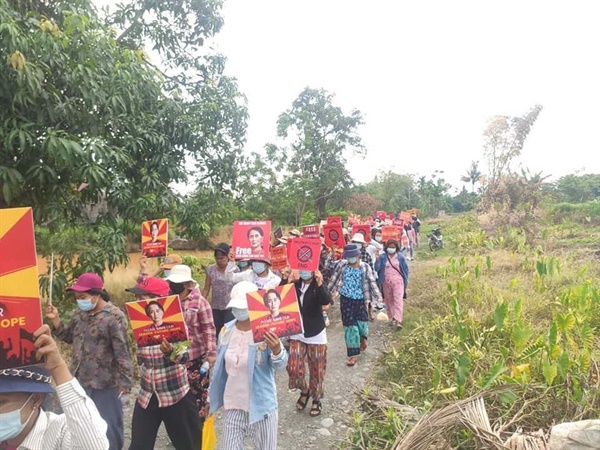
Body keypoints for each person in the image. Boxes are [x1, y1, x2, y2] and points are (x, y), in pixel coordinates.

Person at [46, 273, 133, 450]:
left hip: (105, 383)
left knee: (108, 427)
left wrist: (125, 381)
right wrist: (55, 320)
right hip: (78, 380)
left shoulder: (114, 316)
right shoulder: (79, 314)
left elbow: (122, 351)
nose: (79, 301)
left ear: (96, 294)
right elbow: (69, 337)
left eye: (82, 297)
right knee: (76, 425)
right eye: (77, 297)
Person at [0, 325, 109, 449]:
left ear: (36, 399)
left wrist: (58, 368)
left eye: (2, 402)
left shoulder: (59, 433)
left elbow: (93, 446)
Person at [124, 276, 203, 450]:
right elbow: (141, 360)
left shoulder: (176, 323)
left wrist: (170, 352)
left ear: (159, 301)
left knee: (189, 444)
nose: (137, 301)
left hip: (175, 394)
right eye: (136, 297)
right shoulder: (140, 325)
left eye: (142, 297)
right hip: (147, 395)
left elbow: (184, 357)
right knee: (139, 445)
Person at [209, 281, 288, 449]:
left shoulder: (266, 331)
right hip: (233, 405)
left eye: (243, 306)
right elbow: (220, 367)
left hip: (261, 407)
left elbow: (280, 365)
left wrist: (276, 349)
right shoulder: (226, 331)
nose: (239, 310)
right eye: (236, 307)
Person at [162, 264, 217, 421]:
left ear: (187, 284)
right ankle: (182, 431)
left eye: (178, 282)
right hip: (172, 357)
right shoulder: (166, 302)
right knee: (177, 397)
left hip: (195, 357)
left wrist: (211, 354)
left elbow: (209, 329)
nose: (174, 286)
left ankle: (198, 431)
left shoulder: (199, 302)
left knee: (197, 395)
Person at [281, 269, 331, 417]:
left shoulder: (318, 285)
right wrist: (284, 279)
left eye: (307, 269)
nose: (304, 272)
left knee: (317, 368)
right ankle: (305, 390)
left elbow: (326, 300)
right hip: (297, 332)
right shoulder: (295, 285)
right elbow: (279, 297)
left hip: (316, 332)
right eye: (301, 268)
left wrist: (320, 283)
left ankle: (316, 398)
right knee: (293, 367)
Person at [326, 244, 382, 366]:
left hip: (361, 300)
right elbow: (328, 267)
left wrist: (378, 297)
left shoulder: (365, 267)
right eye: (348, 256)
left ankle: (363, 338)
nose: (350, 259)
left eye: (353, 256)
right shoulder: (342, 264)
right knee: (350, 327)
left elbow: (372, 282)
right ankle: (352, 354)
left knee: (362, 324)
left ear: (358, 256)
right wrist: (332, 252)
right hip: (346, 300)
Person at [203, 242, 239, 334]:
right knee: (217, 332)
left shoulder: (235, 270)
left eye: (222, 258)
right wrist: (201, 302)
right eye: (217, 258)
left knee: (228, 332)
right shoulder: (211, 269)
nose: (219, 261)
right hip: (216, 307)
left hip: (230, 307)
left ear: (228, 256)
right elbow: (206, 288)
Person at [375, 238, 409, 329]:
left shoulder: (400, 257)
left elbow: (405, 270)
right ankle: (392, 317)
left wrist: (406, 282)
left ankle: (398, 320)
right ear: (387, 248)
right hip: (386, 282)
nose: (391, 249)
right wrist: (377, 260)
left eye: (393, 247)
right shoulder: (382, 257)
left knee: (398, 300)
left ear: (396, 248)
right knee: (389, 301)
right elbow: (377, 269)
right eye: (390, 247)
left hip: (398, 282)